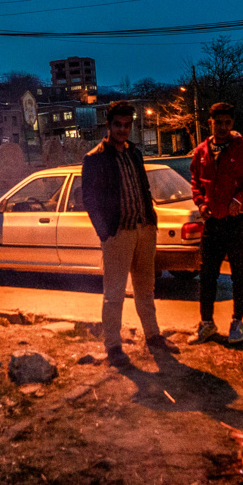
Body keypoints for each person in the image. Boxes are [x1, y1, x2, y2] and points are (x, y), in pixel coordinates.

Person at [81, 101, 178, 368]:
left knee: (146, 288)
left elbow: (143, 189)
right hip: (118, 233)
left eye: (127, 125)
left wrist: (150, 220)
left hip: (144, 229)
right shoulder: (95, 158)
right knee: (114, 293)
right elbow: (89, 199)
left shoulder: (134, 153)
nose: (123, 130)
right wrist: (105, 232)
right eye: (118, 125)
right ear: (108, 125)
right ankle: (113, 345)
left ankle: (153, 335)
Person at [189, 102, 243, 344]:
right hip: (213, 222)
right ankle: (207, 324)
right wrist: (201, 203)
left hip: (238, 221)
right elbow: (196, 182)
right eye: (218, 122)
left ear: (232, 124)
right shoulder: (201, 151)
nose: (222, 127)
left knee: (239, 273)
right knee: (207, 274)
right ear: (209, 123)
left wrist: (239, 199)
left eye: (227, 123)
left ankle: (237, 323)